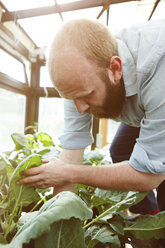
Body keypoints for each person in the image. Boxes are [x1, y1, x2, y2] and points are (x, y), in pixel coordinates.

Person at [18, 19, 165, 201]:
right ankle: (147, 213)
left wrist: (70, 173)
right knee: (120, 148)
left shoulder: (158, 72)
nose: (80, 109)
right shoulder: (77, 84)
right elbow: (71, 156)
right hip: (148, 104)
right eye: (72, 99)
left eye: (86, 95)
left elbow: (148, 177)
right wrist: (57, 219)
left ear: (115, 69)